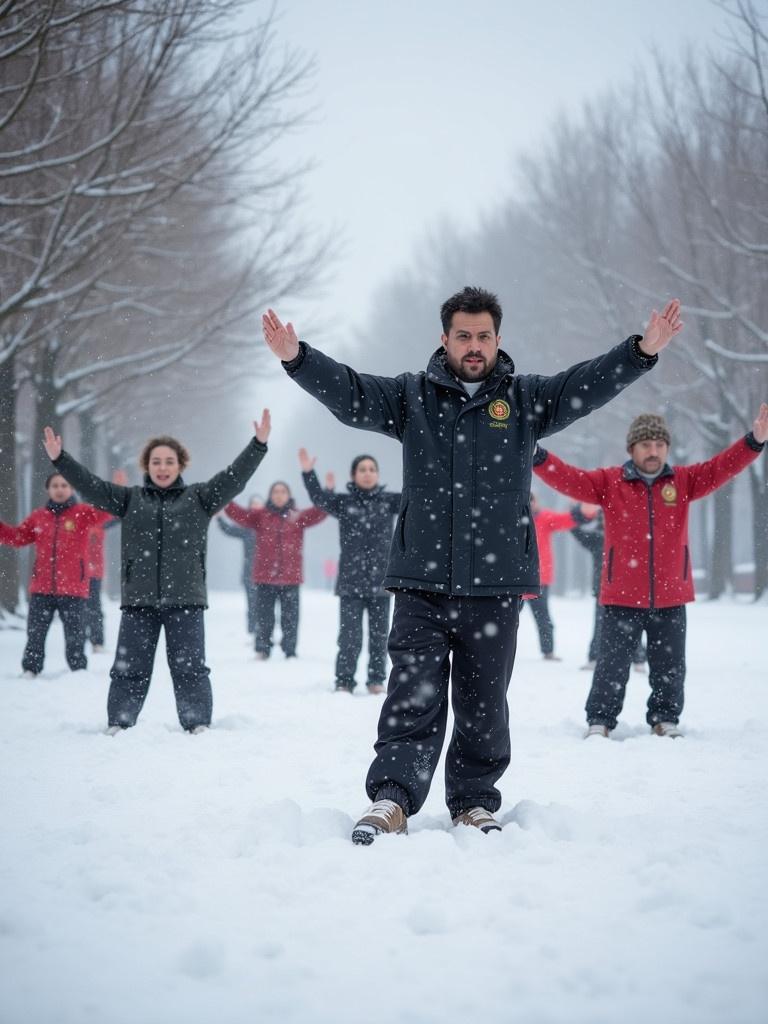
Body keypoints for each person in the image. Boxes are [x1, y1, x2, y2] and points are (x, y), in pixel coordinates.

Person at [262, 288, 683, 842]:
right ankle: (392, 798)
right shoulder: (411, 397)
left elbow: (586, 385)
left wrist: (640, 352)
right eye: (464, 335)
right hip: (422, 581)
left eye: (484, 335)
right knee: (411, 694)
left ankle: (473, 803)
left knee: (484, 703)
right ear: (445, 339)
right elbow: (352, 394)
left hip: (495, 582)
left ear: (498, 339)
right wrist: (299, 360)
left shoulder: (526, 400)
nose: (474, 345)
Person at [533, 406, 768, 738]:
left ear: (667, 448)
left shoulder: (683, 481)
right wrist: (536, 455)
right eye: (646, 445)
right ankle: (600, 721)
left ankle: (664, 719)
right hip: (621, 597)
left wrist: (754, 442)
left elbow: (721, 468)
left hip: (671, 595)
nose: (653, 451)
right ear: (632, 449)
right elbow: (569, 478)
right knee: (610, 667)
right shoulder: (610, 482)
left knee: (670, 668)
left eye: (659, 445)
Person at [43, 413, 270, 733]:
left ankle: (197, 722)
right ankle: (120, 722)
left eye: (169, 461)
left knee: (190, 668)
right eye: (156, 461)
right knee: (129, 668)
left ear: (180, 466)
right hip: (139, 601)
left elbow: (235, 478)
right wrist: (60, 459)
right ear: (147, 466)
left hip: (186, 600)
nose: (162, 467)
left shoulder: (200, 498)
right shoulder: (129, 499)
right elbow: (90, 486)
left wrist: (258, 445)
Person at [299, 448, 401, 694]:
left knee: (379, 638)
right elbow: (318, 498)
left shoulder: (389, 501)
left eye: (372, 469)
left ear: (377, 474)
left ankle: (376, 680)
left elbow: (418, 496)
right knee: (349, 638)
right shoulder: (344, 502)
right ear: (353, 474)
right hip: (350, 582)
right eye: (362, 469)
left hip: (380, 582)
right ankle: (344, 681)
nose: (368, 474)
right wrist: (308, 472)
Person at [0, 473, 112, 677]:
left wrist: (108, 488)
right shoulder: (38, 516)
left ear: (71, 489)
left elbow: (107, 512)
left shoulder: (83, 513)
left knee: (75, 635)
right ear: (48, 490)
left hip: (74, 588)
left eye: (64, 485)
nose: (60, 489)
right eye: (55, 485)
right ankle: (30, 669)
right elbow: (18, 538)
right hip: (41, 588)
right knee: (35, 633)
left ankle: (77, 670)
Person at [225, 481, 326, 660]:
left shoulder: (298, 516)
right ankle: (263, 648)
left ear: (289, 495)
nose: (279, 495)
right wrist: (225, 499)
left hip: (291, 578)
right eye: (275, 492)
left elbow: (319, 512)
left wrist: (328, 493)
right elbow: (239, 514)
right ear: (270, 495)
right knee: (264, 617)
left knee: (291, 619)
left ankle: (290, 650)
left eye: (283, 491)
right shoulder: (261, 515)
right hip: (264, 577)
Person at [569, 503, 647, 672]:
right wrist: (577, 511)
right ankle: (594, 658)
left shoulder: (627, 537)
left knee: (632, 625)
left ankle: (639, 659)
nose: (607, 520)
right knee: (600, 625)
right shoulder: (597, 539)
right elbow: (575, 529)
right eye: (603, 517)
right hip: (603, 591)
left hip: (626, 590)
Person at [524, 493, 576, 661]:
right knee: (506, 619)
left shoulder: (544, 518)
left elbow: (566, 520)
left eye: (532, 501)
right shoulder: (511, 519)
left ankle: (548, 651)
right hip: (513, 579)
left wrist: (577, 512)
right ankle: (500, 651)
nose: (531, 505)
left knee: (542, 616)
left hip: (539, 578)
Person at [217, 494, 263, 635]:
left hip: (268, 573)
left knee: (265, 605)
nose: (256, 506)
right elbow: (229, 530)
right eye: (253, 503)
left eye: (258, 504)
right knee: (252, 603)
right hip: (249, 573)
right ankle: (252, 631)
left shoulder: (269, 524)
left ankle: (264, 632)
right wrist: (220, 518)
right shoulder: (247, 527)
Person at [84, 514, 120, 652]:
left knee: (94, 606)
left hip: (94, 573)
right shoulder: (73, 520)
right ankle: (77, 643)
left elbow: (117, 516)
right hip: (75, 574)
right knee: (77, 609)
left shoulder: (98, 520)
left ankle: (97, 641)